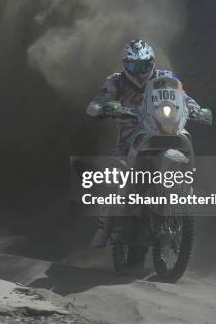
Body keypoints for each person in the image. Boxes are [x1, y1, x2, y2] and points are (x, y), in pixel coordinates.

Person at [86, 39, 201, 248]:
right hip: (130, 140)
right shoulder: (115, 82)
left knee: (186, 141)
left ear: (152, 62)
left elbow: (183, 97)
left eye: (143, 65)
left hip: (165, 131)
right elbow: (98, 100)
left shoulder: (166, 77)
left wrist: (196, 109)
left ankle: (180, 201)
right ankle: (104, 226)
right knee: (115, 178)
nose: (138, 71)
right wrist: (101, 106)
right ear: (125, 65)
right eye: (133, 65)